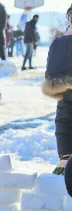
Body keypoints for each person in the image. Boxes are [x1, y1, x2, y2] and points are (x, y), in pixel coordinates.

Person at [42, 5, 72, 175]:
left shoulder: (57, 44)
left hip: (63, 96)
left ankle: (66, 158)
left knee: (64, 121)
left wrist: (65, 153)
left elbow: (50, 75)